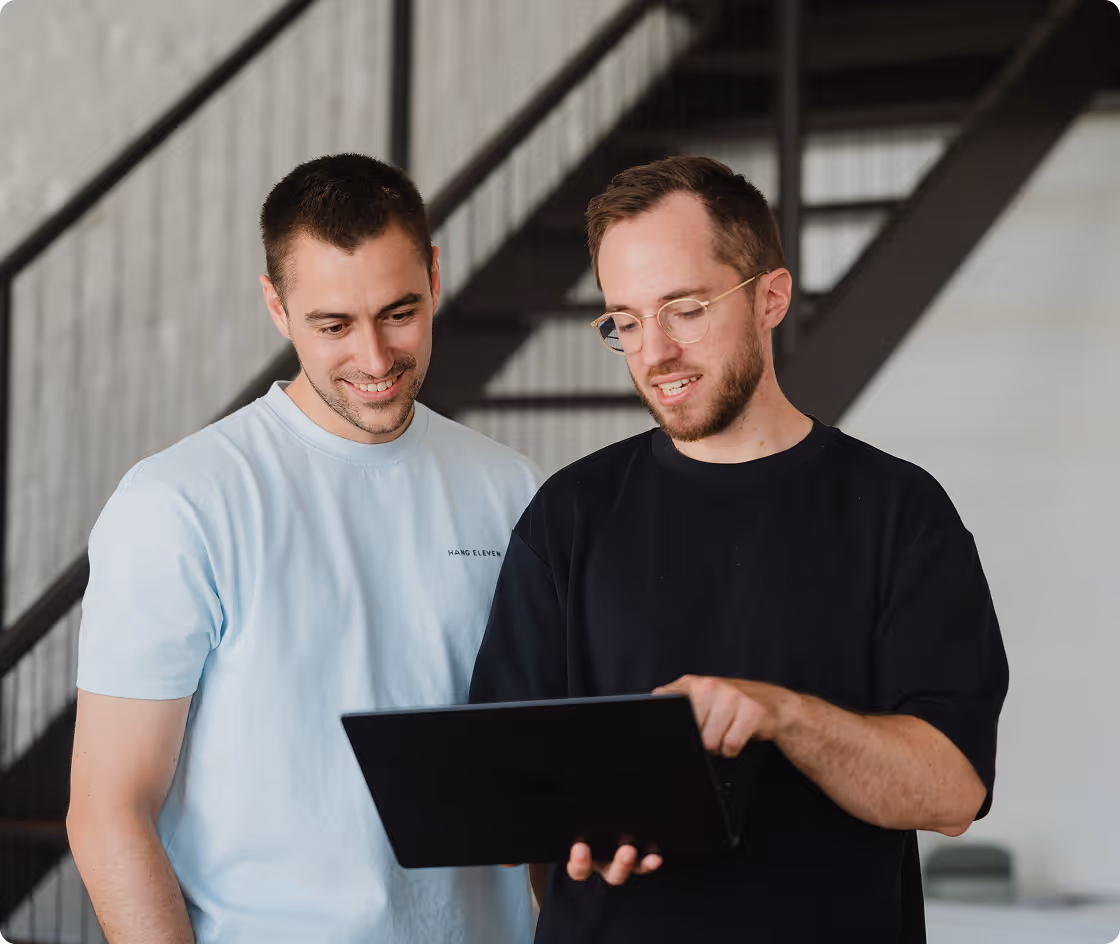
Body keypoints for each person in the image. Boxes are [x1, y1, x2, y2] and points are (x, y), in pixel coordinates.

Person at [469, 155, 1009, 943]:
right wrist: (565, 832)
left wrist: (784, 715)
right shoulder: (568, 515)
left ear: (770, 298)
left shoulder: (900, 512)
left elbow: (952, 791)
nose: (653, 352)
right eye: (624, 319)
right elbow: (508, 780)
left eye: (684, 308)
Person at [67, 154, 540, 944]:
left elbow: (541, 765)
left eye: (400, 312)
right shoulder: (180, 503)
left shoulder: (514, 491)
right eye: (333, 325)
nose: (376, 359)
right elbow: (110, 811)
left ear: (433, 274)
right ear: (276, 307)